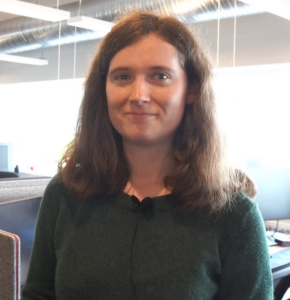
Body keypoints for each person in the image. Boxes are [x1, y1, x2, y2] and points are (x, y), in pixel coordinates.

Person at [21, 11, 273, 300]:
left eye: (160, 76)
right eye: (123, 76)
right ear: (103, 90)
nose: (139, 94)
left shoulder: (233, 216)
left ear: (190, 90)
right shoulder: (65, 194)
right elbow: (39, 294)